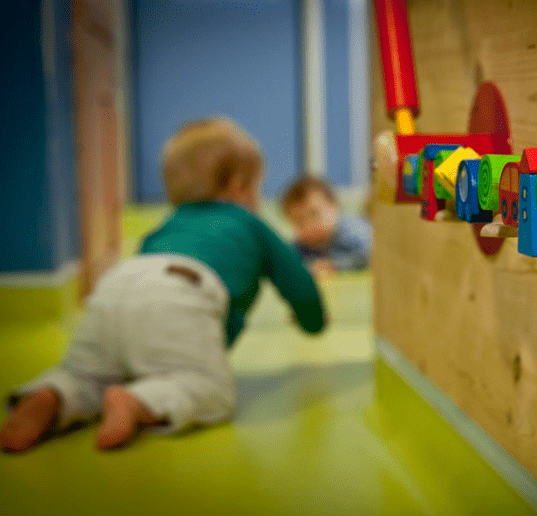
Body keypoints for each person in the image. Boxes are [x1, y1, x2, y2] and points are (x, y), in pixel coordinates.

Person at [0, 117, 326, 452]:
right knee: (210, 389)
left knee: (88, 372)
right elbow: (299, 283)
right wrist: (313, 322)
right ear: (239, 187)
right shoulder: (250, 223)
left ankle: (52, 395)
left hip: (118, 282)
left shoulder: (169, 224)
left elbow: (147, 287)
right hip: (183, 290)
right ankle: (140, 402)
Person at [281, 174, 372, 276]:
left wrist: (334, 266)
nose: (309, 225)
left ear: (335, 206)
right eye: (299, 221)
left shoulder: (351, 230)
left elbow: (371, 253)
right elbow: (287, 262)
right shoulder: (301, 246)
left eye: (314, 214)